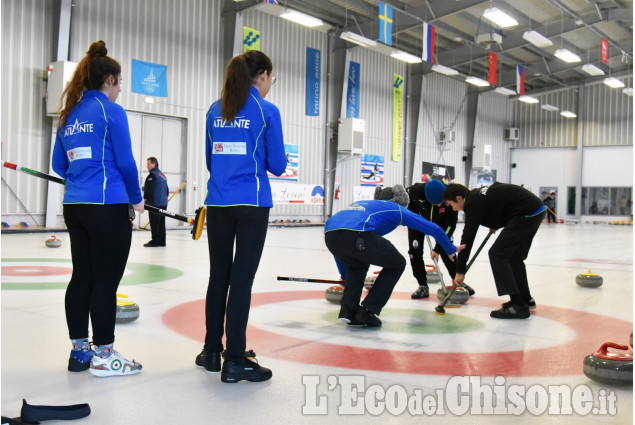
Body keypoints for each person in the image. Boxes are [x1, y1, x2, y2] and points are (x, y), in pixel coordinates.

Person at [52, 40, 144, 376]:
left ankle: (80, 353)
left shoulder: (69, 115)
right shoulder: (111, 111)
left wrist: (84, 174)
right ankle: (105, 354)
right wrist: (136, 198)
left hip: (76, 206)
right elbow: (126, 162)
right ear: (110, 80)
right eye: (119, 83)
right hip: (107, 206)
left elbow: (59, 166)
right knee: (105, 281)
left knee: (83, 277)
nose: (120, 90)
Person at [196, 50, 286, 383]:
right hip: (251, 204)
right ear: (261, 75)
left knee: (218, 277)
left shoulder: (212, 111)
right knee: (241, 282)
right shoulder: (266, 112)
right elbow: (277, 165)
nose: (270, 85)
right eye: (271, 79)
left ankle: (210, 352)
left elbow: (210, 160)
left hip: (218, 204)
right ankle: (235, 360)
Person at [324, 184, 464, 327]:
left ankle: (348, 310)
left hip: (330, 234)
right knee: (397, 264)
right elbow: (434, 228)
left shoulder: (360, 204)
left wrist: (344, 276)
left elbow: (340, 244)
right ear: (401, 201)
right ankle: (367, 310)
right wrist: (450, 248)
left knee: (357, 266)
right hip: (359, 233)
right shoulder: (397, 208)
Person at [443, 183, 546, 319]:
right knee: (513, 257)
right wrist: (495, 223)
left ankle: (518, 306)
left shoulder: (472, 204)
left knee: (497, 254)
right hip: (536, 210)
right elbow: (501, 201)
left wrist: (460, 271)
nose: (454, 209)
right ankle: (524, 299)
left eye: (451, 205)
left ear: (459, 198)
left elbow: (467, 238)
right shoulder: (477, 195)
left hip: (526, 214)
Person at [405, 180, 475, 299]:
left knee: (448, 251)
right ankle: (422, 285)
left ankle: (457, 281)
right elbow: (406, 203)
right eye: (435, 204)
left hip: (442, 225)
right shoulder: (414, 191)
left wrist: (437, 249)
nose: (438, 205)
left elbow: (451, 225)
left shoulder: (449, 196)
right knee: (414, 252)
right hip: (418, 222)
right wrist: (415, 217)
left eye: (440, 203)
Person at [143, 157, 169, 247]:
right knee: (161, 223)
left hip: (154, 203)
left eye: (148, 164)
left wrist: (145, 198)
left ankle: (155, 241)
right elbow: (167, 191)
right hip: (163, 203)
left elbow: (149, 189)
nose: (147, 166)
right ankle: (162, 241)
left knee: (154, 222)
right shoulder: (163, 176)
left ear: (154, 164)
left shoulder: (152, 175)